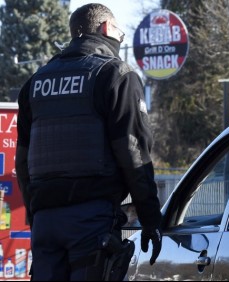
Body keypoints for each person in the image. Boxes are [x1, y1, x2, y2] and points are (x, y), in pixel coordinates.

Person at [15, 3, 162, 281]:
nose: (120, 38)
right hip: (91, 220)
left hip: (46, 221)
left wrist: (37, 214)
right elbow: (133, 153)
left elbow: (22, 161)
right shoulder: (115, 74)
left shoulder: (35, 83)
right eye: (119, 31)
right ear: (107, 28)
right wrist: (151, 217)